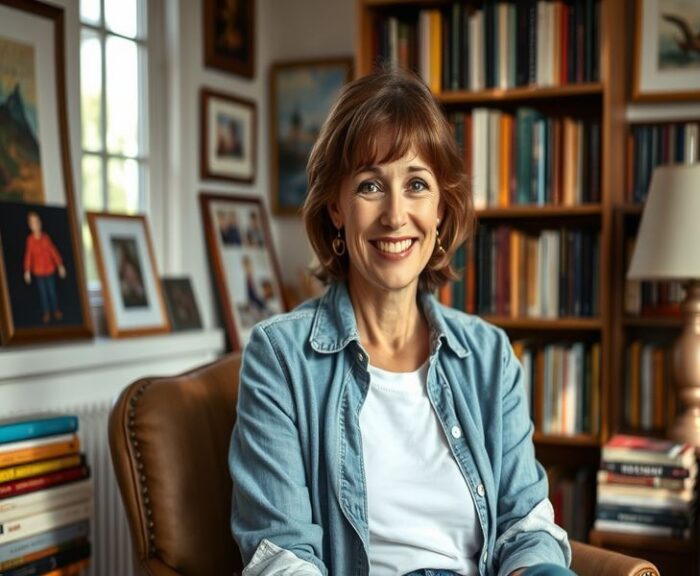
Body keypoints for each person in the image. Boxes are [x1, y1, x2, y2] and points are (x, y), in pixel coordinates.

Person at [229, 69, 574, 576]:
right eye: (370, 185)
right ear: (336, 209)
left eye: (416, 184)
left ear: (440, 209)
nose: (395, 215)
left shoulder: (489, 356)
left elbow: (524, 521)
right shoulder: (280, 359)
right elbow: (281, 554)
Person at [23, 211, 66, 323]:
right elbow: (28, 255)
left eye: (37, 222)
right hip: (39, 272)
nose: (36, 225)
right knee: (43, 293)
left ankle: (55, 310)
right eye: (33, 223)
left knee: (52, 292)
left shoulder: (46, 238)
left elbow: (53, 251)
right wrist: (27, 270)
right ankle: (46, 312)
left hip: (49, 270)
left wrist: (60, 265)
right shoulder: (30, 240)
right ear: (30, 226)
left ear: (40, 223)